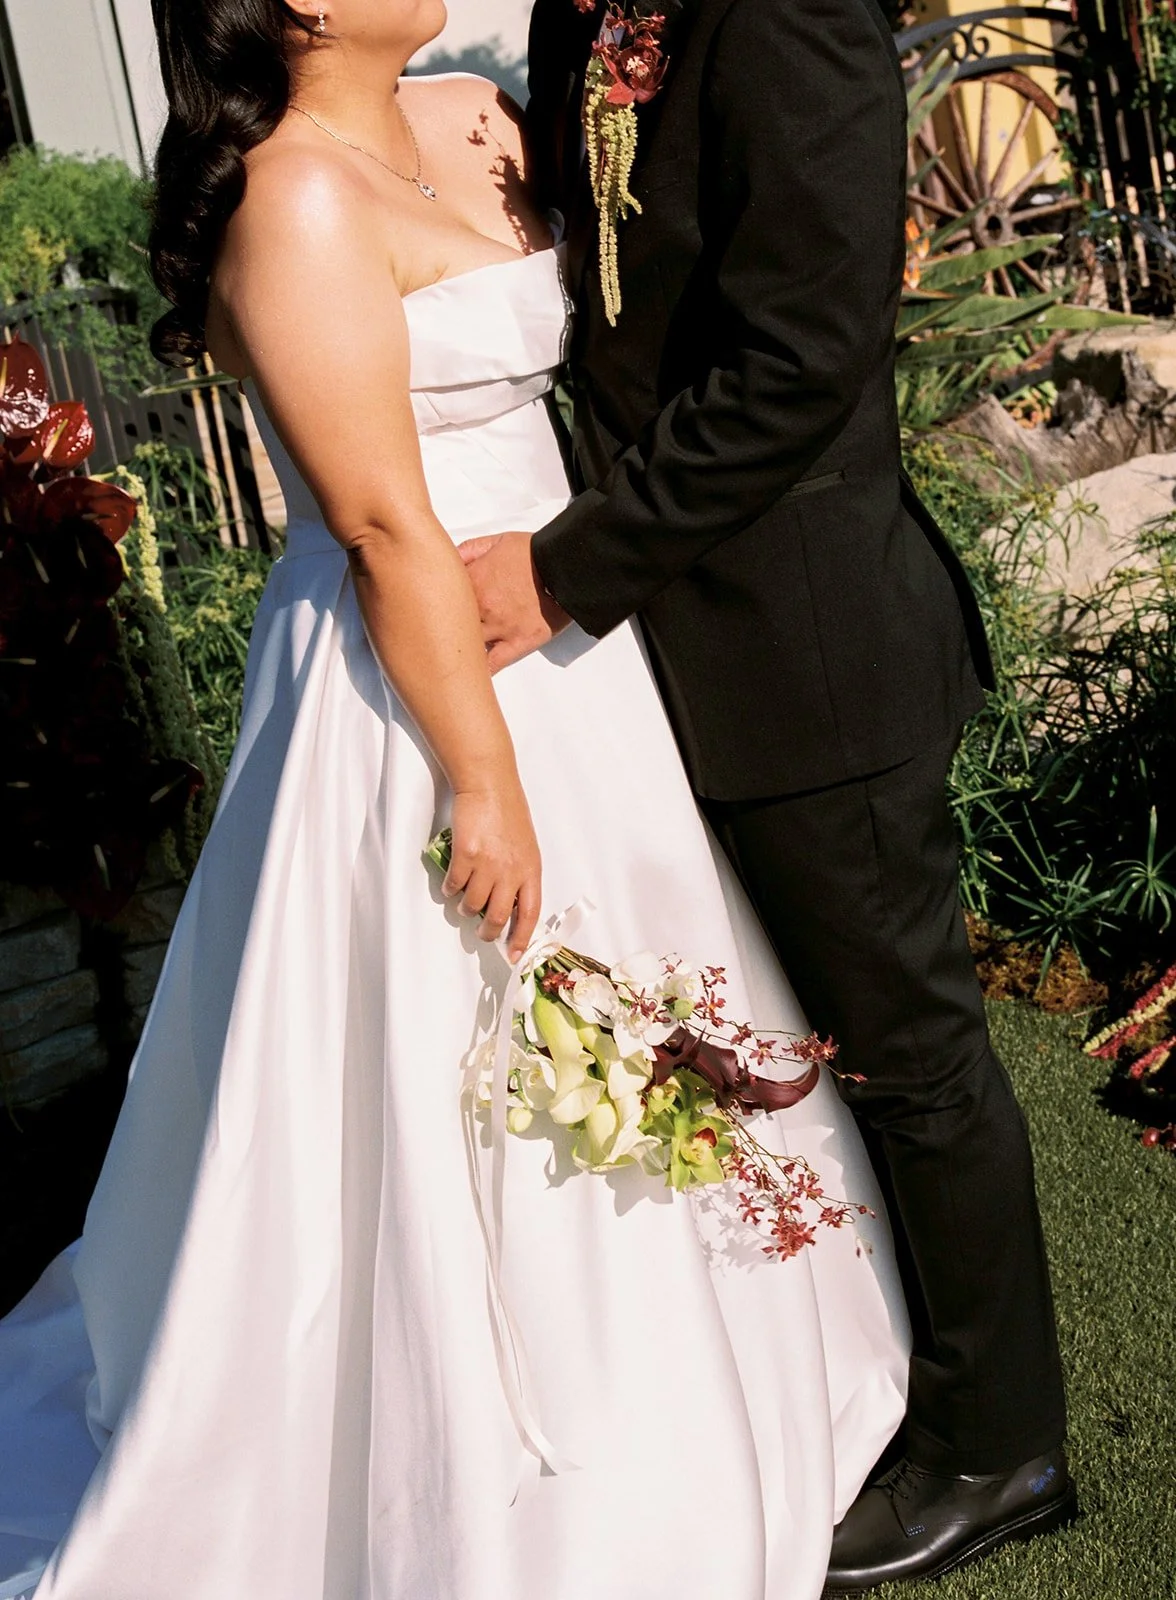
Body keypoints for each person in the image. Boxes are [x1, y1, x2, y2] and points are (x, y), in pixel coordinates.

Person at [0, 3, 912, 1598]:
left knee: (638, 980)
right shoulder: (291, 197)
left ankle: (723, 1355)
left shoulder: (460, 113)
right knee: (442, 1043)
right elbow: (376, 522)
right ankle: (474, 1436)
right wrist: (482, 780)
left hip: (564, 644)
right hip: (415, 682)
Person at [458, 0, 1077, 1589]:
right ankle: (870, 1367)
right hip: (683, 652)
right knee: (804, 1039)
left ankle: (999, 1444)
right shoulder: (583, 5)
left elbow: (804, 354)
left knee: (913, 1056)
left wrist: (566, 562)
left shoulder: (785, 10)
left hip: (809, 647)